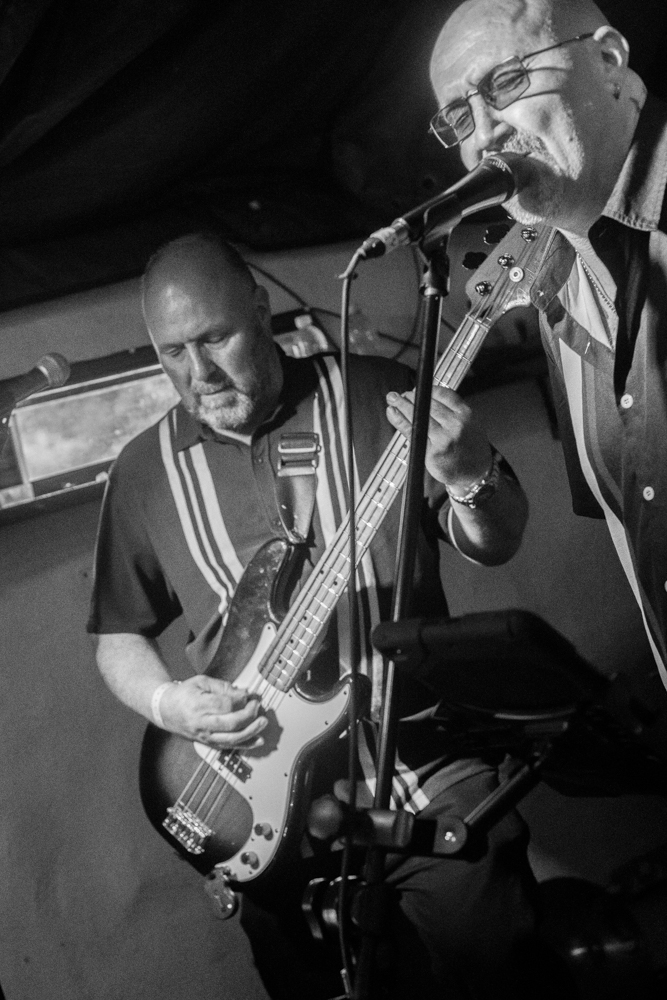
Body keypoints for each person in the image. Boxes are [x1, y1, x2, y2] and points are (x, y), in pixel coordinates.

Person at [87, 231, 537, 999]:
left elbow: (497, 541)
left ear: (260, 309)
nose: (198, 373)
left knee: (500, 974)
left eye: (214, 338)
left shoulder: (378, 394)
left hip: (419, 762)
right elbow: (117, 634)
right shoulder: (142, 472)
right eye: (172, 353)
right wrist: (169, 702)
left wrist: (471, 478)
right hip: (255, 804)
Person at [429, 0, 667, 692]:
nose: (484, 135)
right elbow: (633, 533)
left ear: (609, 62)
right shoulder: (553, 291)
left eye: (505, 82)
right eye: (458, 117)